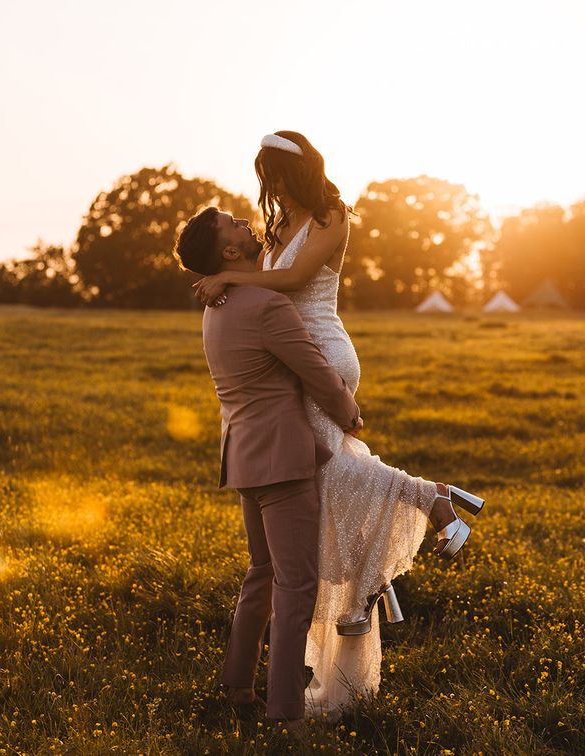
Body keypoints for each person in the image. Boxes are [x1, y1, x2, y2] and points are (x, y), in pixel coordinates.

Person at [183, 131, 485, 718]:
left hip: (320, 349)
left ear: (293, 172)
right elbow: (269, 285)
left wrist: (232, 279)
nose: (264, 188)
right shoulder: (277, 225)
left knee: (324, 472)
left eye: (271, 173)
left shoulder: (330, 216)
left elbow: (295, 285)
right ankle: (377, 573)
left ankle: (424, 507)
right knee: (326, 475)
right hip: (288, 351)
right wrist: (235, 280)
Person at [173, 205, 363, 734]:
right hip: (283, 461)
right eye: (234, 224)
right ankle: (287, 714)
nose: (245, 223)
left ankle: (237, 684)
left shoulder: (217, 305)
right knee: (296, 585)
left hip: (243, 456)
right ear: (229, 252)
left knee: (260, 573)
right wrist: (348, 411)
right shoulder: (265, 304)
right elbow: (313, 367)